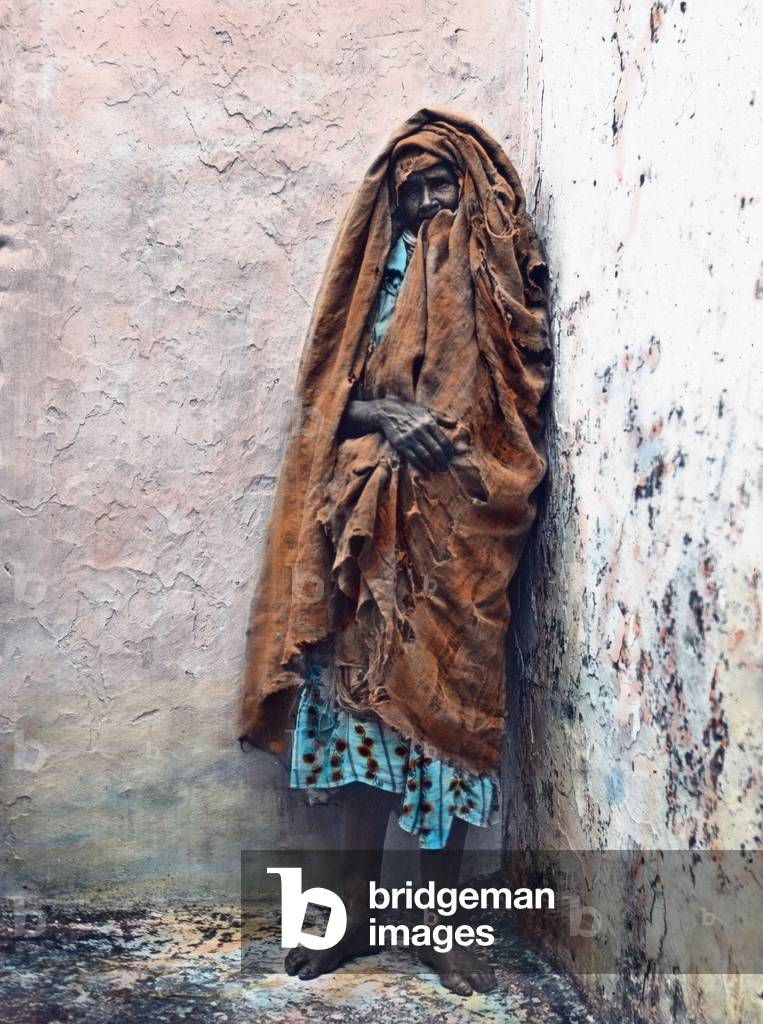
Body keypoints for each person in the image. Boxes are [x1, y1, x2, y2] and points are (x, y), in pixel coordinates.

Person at [238, 109, 552, 995]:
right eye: (409, 192)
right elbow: (326, 400)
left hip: (462, 533)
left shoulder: (500, 285)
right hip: (369, 535)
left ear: (478, 193)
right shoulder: (375, 281)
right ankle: (348, 912)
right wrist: (387, 416)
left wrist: (456, 439)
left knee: (450, 723)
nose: (424, 206)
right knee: (360, 721)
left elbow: (514, 391)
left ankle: (438, 923)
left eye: (440, 187)